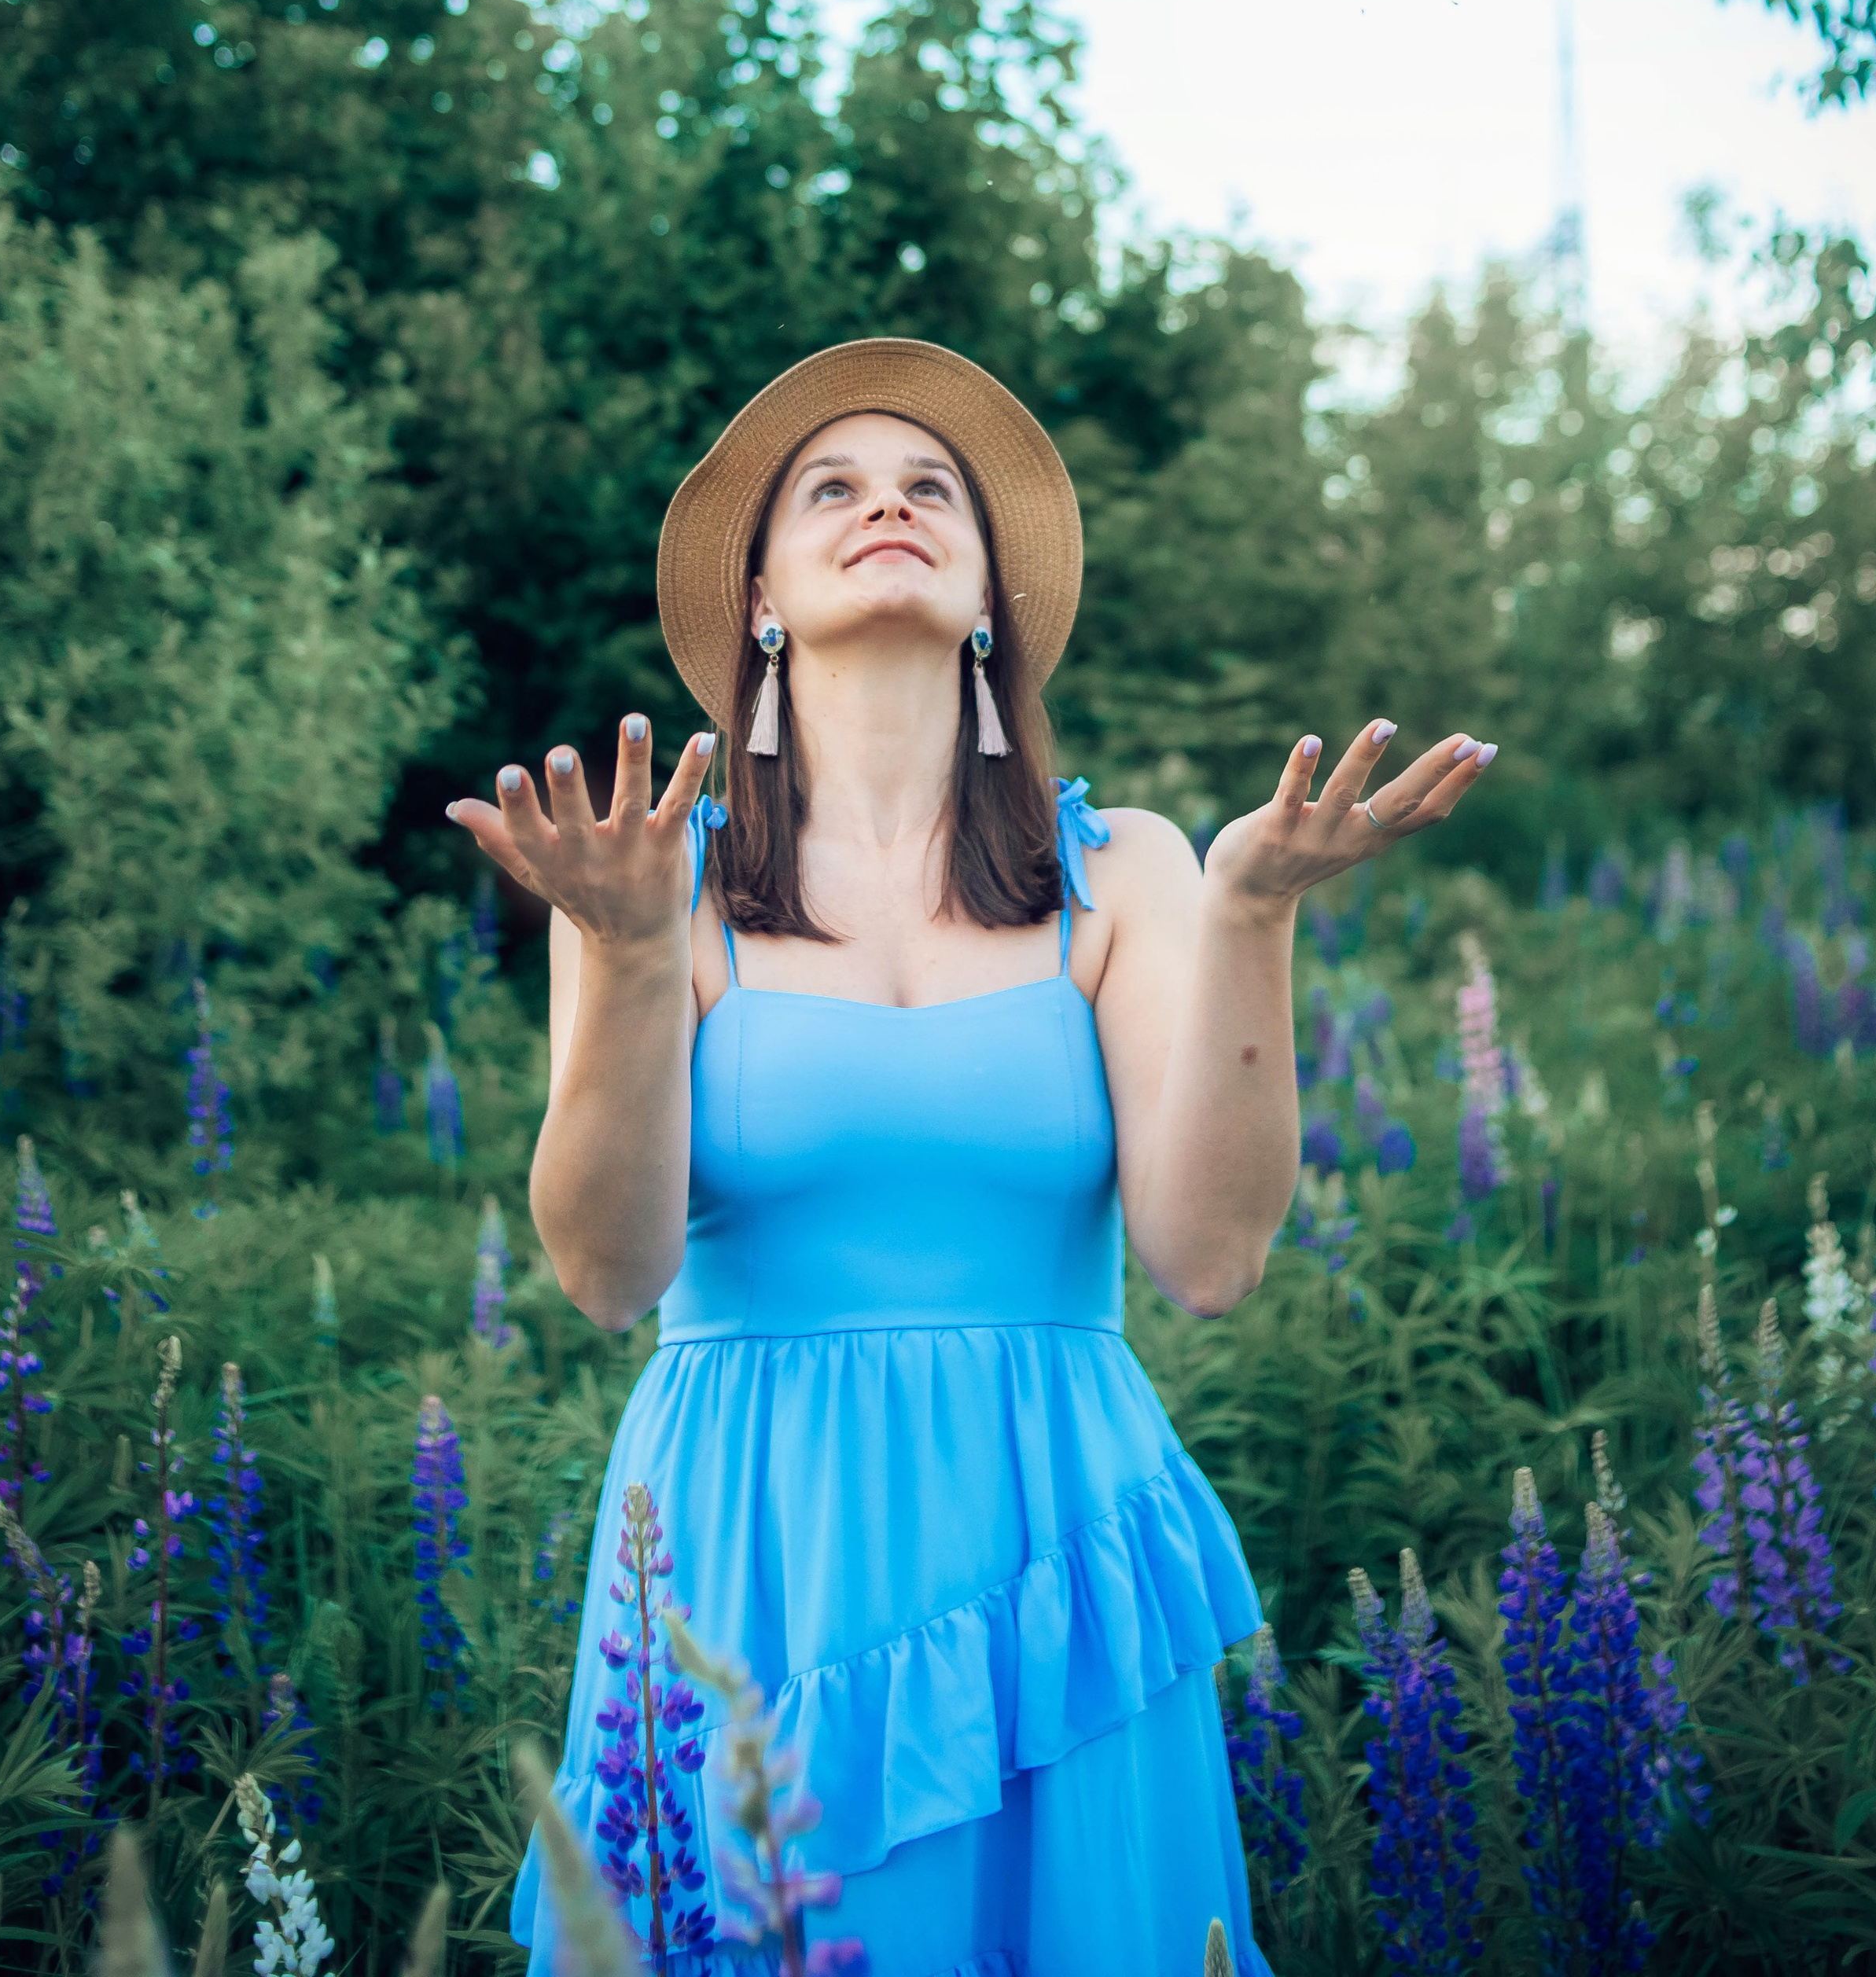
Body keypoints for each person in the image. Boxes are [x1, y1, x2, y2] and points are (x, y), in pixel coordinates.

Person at [450, 336, 1494, 1975]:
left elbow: (1210, 1261)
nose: (890, 505)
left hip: (1052, 1523)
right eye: (834, 489)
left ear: (991, 595)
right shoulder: (655, 883)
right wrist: (636, 956)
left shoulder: (1127, 872)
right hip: (757, 1538)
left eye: (930, 487)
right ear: (761, 599)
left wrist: (1253, 916)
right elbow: (602, 1273)